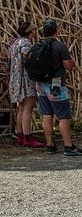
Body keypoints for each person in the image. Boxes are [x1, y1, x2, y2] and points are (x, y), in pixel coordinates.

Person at [36, 19, 81, 156]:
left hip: (40, 85)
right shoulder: (59, 46)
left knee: (47, 115)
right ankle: (68, 146)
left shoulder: (38, 45)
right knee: (62, 115)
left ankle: (50, 145)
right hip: (55, 84)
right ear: (56, 31)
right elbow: (68, 66)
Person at [8, 21, 44, 147]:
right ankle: (28, 137)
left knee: (21, 108)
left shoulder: (14, 42)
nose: (35, 32)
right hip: (25, 79)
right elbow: (25, 54)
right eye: (34, 29)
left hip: (16, 79)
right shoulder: (25, 43)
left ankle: (21, 136)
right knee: (28, 108)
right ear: (29, 31)